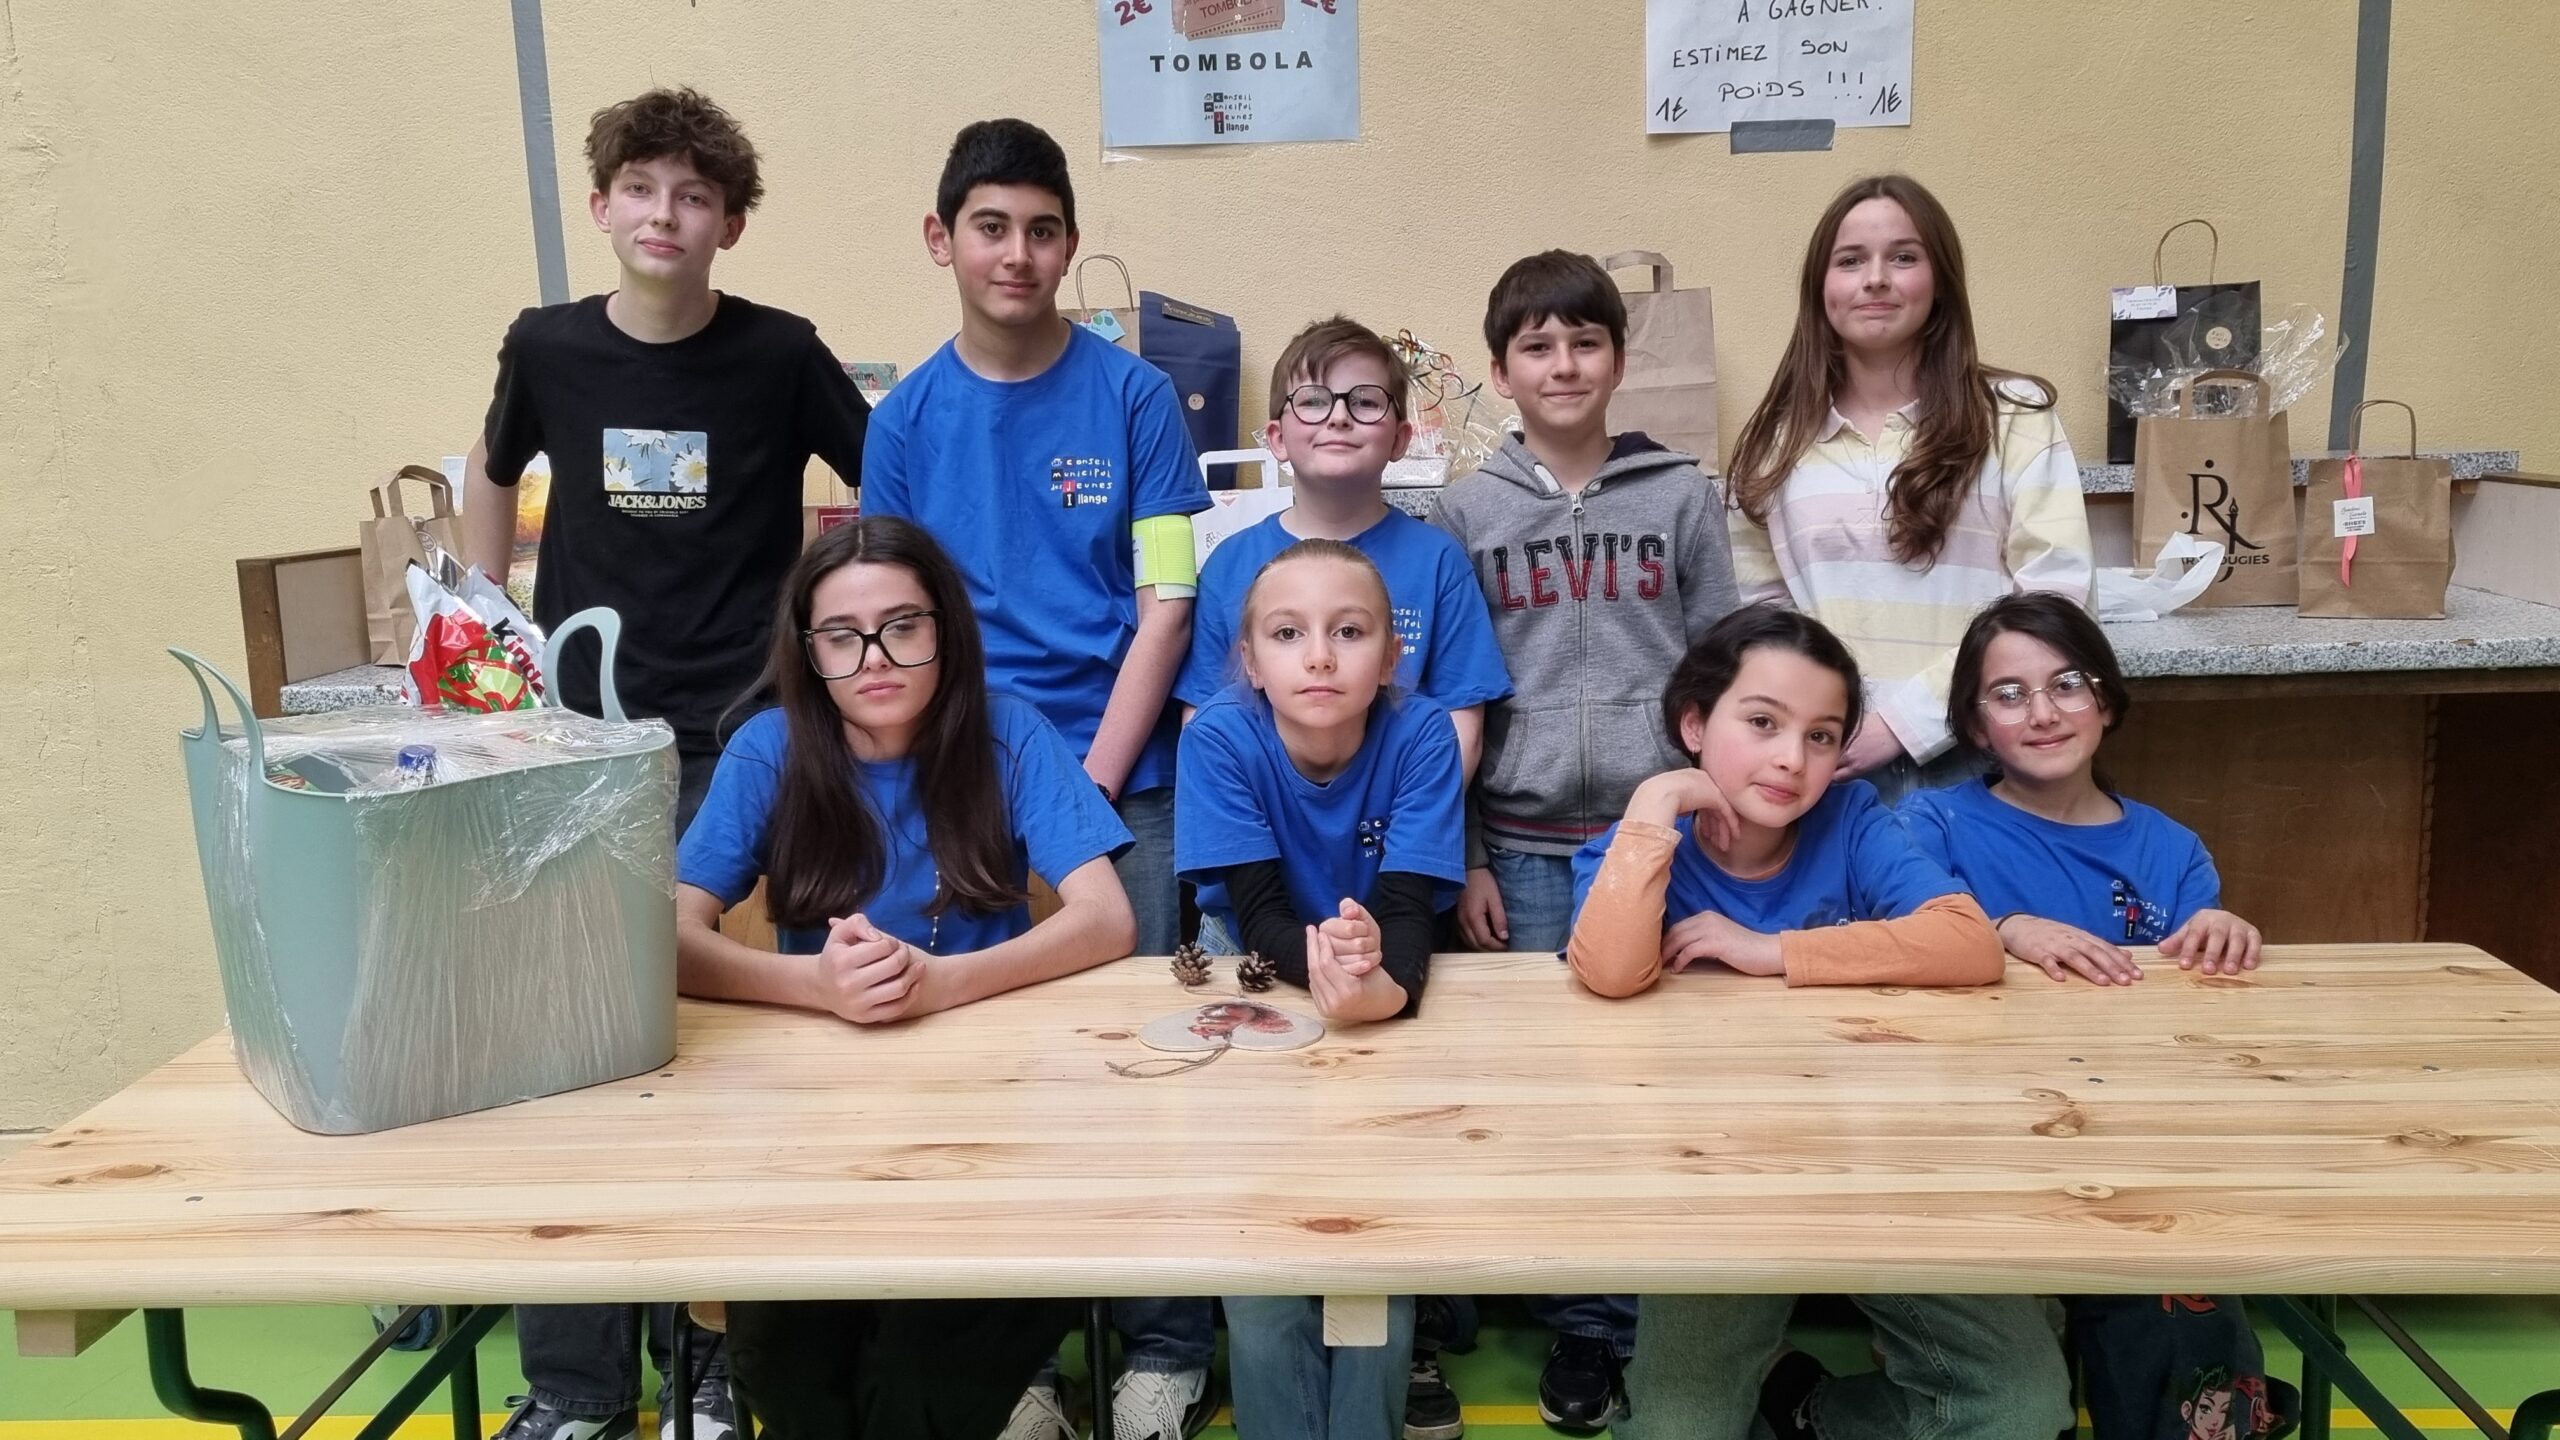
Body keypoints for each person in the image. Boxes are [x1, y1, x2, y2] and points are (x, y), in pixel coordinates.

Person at [465, 86, 869, 1440]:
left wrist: (838, 628)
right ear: (600, 206)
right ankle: (576, 1385)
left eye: (695, 195)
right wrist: (484, 626)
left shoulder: (780, 353)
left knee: (724, 1049)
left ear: (729, 225)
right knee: (571, 1039)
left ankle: (710, 1355)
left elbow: (885, 481)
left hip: (740, 739)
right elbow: (492, 468)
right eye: (640, 188)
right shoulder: (548, 346)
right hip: (575, 739)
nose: (664, 214)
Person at [852, 116, 1217, 1440]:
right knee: (998, 1070)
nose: (1017, 253)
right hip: (967, 785)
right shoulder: (903, 422)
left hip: (1127, 777)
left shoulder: (1134, 399)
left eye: (1043, 229)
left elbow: (1167, 600)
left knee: (1146, 1056)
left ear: (1070, 247)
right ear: (941, 240)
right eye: (990, 227)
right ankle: (1019, 1359)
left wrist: (1089, 784)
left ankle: (1166, 1346)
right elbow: (895, 618)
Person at [674, 516, 1135, 1439]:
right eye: (841, 637)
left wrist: (942, 983)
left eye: (902, 627)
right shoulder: (768, 748)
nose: (874, 658)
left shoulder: (1009, 731)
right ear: (808, 651)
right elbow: (669, 938)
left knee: (924, 1384)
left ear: (944, 631)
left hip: (989, 1118)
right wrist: (815, 988)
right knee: (785, 1372)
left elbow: (1107, 918)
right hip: (813, 1124)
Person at [1566, 606, 2070, 1440]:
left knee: (2022, 1405)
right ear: (1694, 724)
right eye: (1762, 723)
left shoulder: (1852, 820)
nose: (1791, 759)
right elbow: (1612, 973)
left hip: (1883, 1171)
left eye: (1822, 736)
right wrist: (1656, 801)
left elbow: (1971, 943)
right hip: (1716, 1190)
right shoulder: (1641, 845)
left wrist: (1771, 951)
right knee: (1679, 1428)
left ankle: (1812, 1407)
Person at [1419, 248, 1743, 1436]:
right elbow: (1450, 701)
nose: (1562, 365)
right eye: (1537, 346)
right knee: (1552, 1085)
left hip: (1654, 841)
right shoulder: (1464, 511)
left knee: (1647, 1081)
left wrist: (1714, 813)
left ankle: (1637, 1316)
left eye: (1584, 342)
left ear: (1618, 358)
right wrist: (1467, 854)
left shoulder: (1680, 497)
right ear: (1500, 370)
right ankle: (1575, 1315)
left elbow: (1721, 670)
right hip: (1520, 840)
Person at [1897, 593, 2292, 1440]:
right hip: (1975, 1149)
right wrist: (2006, 927)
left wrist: (2223, 933)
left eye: (2067, 684)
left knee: (2188, 1342)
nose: (2042, 713)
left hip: (2136, 1154)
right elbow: (1899, 932)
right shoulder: (1931, 822)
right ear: (1976, 725)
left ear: (2106, 700)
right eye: (2009, 694)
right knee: (2018, 1389)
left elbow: (2201, 1021)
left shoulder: (2172, 849)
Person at [1177, 539, 1468, 1440]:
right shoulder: (1219, 735)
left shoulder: (1422, 732)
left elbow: (1409, 909)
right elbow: (1259, 912)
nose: (1319, 656)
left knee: (1377, 1231)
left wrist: (1384, 990)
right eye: (1287, 634)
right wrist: (1346, 972)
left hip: (1385, 973)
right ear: (1250, 661)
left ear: (1390, 656)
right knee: (1258, 1243)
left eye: (1348, 631)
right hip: (1257, 963)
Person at [1723, 174, 2092, 804]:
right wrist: (1818, 722)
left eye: (1903, 257)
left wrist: (1905, 722)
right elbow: (1761, 614)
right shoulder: (1771, 445)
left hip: (1985, 757)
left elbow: (2055, 597)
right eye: (1850, 261)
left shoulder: (2014, 416)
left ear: (1940, 279)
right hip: (1832, 766)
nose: (1875, 279)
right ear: (1820, 288)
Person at [1175, 317, 1511, 781]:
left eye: (1365, 401)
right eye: (1313, 400)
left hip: (1407, 817)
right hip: (1258, 819)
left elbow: (1461, 727)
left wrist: (1417, 817)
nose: (1338, 417)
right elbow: (1203, 727)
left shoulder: (1438, 562)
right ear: (1277, 439)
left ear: (1400, 439)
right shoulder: (1228, 566)